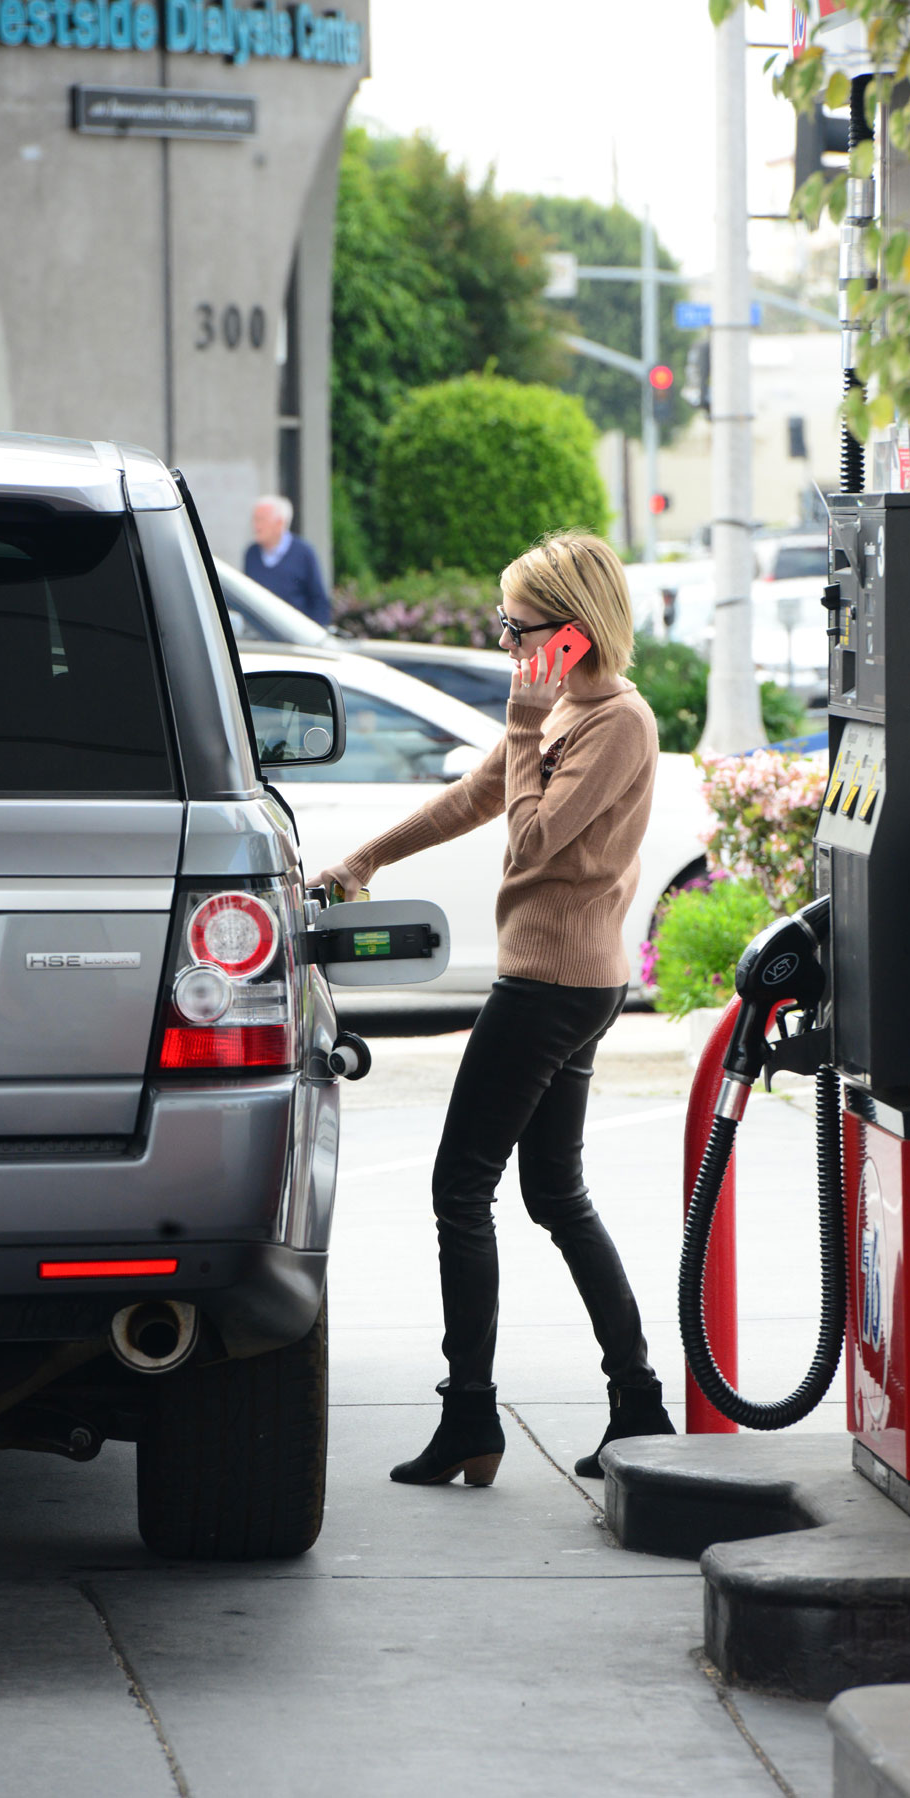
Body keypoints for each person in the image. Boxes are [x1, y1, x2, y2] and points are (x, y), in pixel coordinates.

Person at [309, 530, 676, 1488]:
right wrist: (367, 858)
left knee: (459, 1187)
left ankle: (471, 1416)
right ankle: (638, 1404)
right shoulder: (563, 710)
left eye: (518, 625)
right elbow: (475, 797)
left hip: (554, 984)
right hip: (565, 979)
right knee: (553, 1193)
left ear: (572, 629)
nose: (508, 640)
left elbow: (534, 846)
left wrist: (520, 724)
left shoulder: (613, 723)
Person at [243, 494, 332, 627]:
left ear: (280, 523)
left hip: (295, 636)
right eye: (254, 520)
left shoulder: (303, 553)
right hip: (261, 636)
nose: (256, 526)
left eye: (261, 520)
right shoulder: (252, 553)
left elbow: (319, 602)